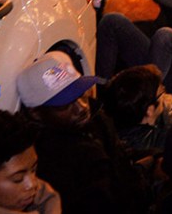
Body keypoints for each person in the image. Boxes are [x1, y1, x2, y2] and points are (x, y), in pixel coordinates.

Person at [16, 52, 152, 214]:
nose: (82, 107)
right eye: (65, 105)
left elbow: (117, 155)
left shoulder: (94, 119)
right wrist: (143, 173)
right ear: (35, 113)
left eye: (82, 96)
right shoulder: (51, 160)